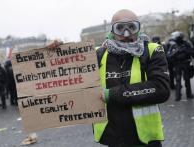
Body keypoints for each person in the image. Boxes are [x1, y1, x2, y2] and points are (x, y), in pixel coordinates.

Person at [49, 9, 170, 147]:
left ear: (139, 28)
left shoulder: (152, 50)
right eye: (120, 28)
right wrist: (57, 52)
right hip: (113, 138)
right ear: (112, 30)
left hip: (145, 139)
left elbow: (161, 89)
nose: (126, 33)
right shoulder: (98, 54)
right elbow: (65, 72)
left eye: (132, 27)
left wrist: (111, 94)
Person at [167, 31, 194, 101]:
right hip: (177, 65)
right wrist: (177, 51)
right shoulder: (173, 46)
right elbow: (169, 56)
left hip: (185, 64)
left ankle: (189, 94)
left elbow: (191, 52)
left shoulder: (186, 44)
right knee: (178, 80)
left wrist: (184, 50)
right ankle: (178, 96)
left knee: (187, 79)